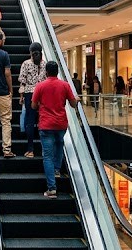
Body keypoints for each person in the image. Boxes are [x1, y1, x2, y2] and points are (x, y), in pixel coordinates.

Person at [32, 61, 78, 198]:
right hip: (61, 124)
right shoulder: (65, 85)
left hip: (46, 125)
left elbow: (33, 106)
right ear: (57, 72)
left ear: (46, 72)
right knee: (59, 145)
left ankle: (52, 188)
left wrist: (41, 103)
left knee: (47, 155)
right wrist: (77, 99)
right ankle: (57, 170)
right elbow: (73, 104)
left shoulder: (40, 86)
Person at [18, 43, 47, 158]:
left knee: (29, 121)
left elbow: (22, 81)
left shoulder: (26, 63)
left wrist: (21, 96)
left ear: (30, 52)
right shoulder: (45, 64)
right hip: (42, 94)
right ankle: (44, 149)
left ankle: (30, 150)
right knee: (42, 120)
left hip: (30, 93)